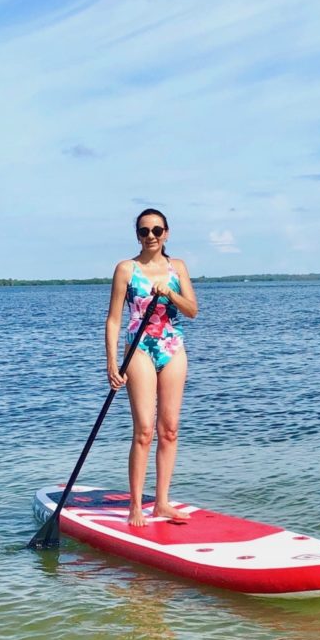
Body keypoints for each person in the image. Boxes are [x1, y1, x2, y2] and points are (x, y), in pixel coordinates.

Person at [105, 208, 198, 525]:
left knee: (169, 430)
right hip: (139, 348)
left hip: (172, 347)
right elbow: (114, 319)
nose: (151, 237)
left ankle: (161, 503)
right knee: (144, 430)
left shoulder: (178, 267)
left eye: (157, 231)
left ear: (167, 233)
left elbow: (192, 310)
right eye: (145, 231)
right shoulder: (126, 269)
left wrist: (170, 292)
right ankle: (135, 505)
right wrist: (111, 363)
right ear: (138, 236)